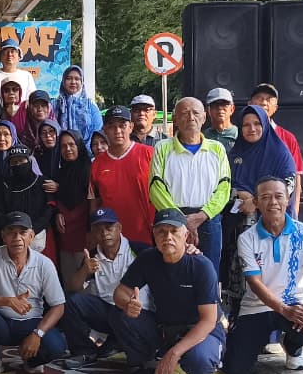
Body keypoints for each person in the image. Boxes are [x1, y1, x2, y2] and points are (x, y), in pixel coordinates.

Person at [222, 177, 303, 374]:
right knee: (235, 370)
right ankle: (255, 342)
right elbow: (255, 283)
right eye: (265, 197)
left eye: (279, 196)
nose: (273, 202)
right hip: (256, 307)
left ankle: (292, 347)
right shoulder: (247, 238)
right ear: (256, 202)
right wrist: (283, 310)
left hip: (294, 303)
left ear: (287, 199)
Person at [112, 208, 223, 374]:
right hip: (166, 328)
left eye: (174, 231)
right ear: (154, 235)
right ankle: (147, 366)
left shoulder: (201, 266)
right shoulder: (148, 259)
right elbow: (120, 293)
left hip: (201, 330)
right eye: (161, 232)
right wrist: (127, 304)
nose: (168, 237)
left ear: (186, 235)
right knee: (122, 315)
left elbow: (208, 321)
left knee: (199, 360)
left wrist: (174, 353)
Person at [0, 211, 68, 374]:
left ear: (31, 236)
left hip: (31, 323)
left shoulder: (44, 263)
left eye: (23, 232)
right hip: (0, 322)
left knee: (57, 346)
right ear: (3, 236)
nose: (17, 238)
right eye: (11, 232)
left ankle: (31, 362)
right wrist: (8, 301)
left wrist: (37, 334)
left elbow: (58, 306)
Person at [149, 96, 231, 262]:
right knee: (173, 270)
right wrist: (181, 220)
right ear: (175, 119)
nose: (191, 117)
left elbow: (224, 188)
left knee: (209, 270)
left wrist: (202, 216)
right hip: (171, 222)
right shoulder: (162, 148)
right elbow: (155, 188)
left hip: (208, 219)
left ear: (204, 117)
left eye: (196, 113)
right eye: (184, 113)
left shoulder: (217, 148)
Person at [58, 207, 139, 370]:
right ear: (93, 234)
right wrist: (84, 270)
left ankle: (123, 345)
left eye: (109, 228)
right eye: (98, 229)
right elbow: (73, 287)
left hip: (135, 313)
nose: (104, 233)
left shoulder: (138, 250)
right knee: (70, 301)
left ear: (119, 228)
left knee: (136, 362)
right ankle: (84, 351)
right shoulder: (92, 256)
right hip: (106, 313)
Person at [90, 106, 156, 247]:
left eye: (122, 125)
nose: (118, 131)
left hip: (146, 235)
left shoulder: (149, 154)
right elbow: (94, 202)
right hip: (111, 240)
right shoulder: (97, 164)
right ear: (105, 130)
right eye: (112, 126)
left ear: (131, 127)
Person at [228, 105, 297, 223]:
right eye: (246, 125)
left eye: (257, 124)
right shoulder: (235, 153)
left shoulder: (279, 153)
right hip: (238, 221)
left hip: (275, 222)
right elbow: (223, 185)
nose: (252, 129)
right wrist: (237, 193)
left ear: (265, 125)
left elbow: (288, 186)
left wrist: (255, 202)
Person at [249, 83, 303, 215]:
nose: (264, 102)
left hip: (279, 210)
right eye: (259, 98)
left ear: (275, 107)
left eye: (269, 99)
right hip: (247, 210)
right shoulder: (242, 136)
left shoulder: (288, 138)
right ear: (249, 103)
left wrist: (294, 212)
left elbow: (296, 178)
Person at [52, 129, 94, 282]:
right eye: (63, 146)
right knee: (69, 280)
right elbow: (57, 199)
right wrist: (57, 213)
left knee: (86, 281)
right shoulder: (60, 173)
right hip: (65, 236)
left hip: (85, 234)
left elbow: (92, 203)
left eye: (71, 144)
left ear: (79, 145)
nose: (68, 149)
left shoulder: (89, 170)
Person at [0, 145, 55, 253]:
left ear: (29, 161)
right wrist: (11, 231)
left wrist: (33, 230)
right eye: (14, 162)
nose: (18, 164)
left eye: (21, 160)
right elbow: (0, 211)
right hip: (12, 238)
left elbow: (49, 209)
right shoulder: (5, 185)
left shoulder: (42, 182)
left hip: (38, 238)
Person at [52, 66, 102, 145]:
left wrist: (86, 149)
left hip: (87, 150)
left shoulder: (90, 105)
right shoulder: (54, 104)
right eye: (69, 78)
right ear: (63, 81)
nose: (73, 82)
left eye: (77, 79)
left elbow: (97, 129)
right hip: (61, 149)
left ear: (82, 82)